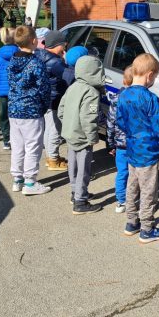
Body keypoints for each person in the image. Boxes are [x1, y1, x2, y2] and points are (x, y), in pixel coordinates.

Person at [117, 53, 159, 243]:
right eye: (155, 77)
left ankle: (131, 222)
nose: (154, 80)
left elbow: (120, 121)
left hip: (132, 148)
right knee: (148, 190)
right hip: (148, 150)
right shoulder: (150, 98)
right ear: (149, 75)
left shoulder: (123, 95)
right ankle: (147, 228)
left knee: (132, 185)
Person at [7, 26, 52, 196]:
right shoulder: (35, 63)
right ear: (34, 41)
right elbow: (44, 88)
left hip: (14, 109)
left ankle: (17, 179)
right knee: (33, 146)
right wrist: (44, 106)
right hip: (32, 110)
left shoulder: (12, 61)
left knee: (18, 145)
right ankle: (30, 182)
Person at [58, 55, 105, 214]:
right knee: (84, 170)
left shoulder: (73, 86)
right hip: (83, 137)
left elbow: (61, 110)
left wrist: (68, 124)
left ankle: (75, 193)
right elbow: (89, 118)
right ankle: (80, 202)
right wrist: (92, 137)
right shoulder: (91, 92)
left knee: (73, 166)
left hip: (70, 134)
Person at [35, 30, 69, 171]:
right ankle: (53, 159)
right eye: (64, 44)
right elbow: (69, 76)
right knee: (56, 129)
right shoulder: (55, 62)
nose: (65, 47)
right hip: (55, 99)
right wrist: (66, 61)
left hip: (46, 98)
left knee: (49, 128)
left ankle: (51, 157)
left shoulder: (39, 54)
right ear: (58, 45)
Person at [107, 66, 132, 213]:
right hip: (135, 144)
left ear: (123, 80)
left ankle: (121, 201)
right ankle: (134, 198)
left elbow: (110, 122)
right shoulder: (138, 98)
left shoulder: (116, 99)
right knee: (135, 173)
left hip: (120, 145)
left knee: (122, 172)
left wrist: (110, 143)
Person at [0, 27, 18, 150]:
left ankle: (6, 139)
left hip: (2, 91)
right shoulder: (20, 54)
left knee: (4, 115)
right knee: (17, 115)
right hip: (17, 90)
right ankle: (18, 138)